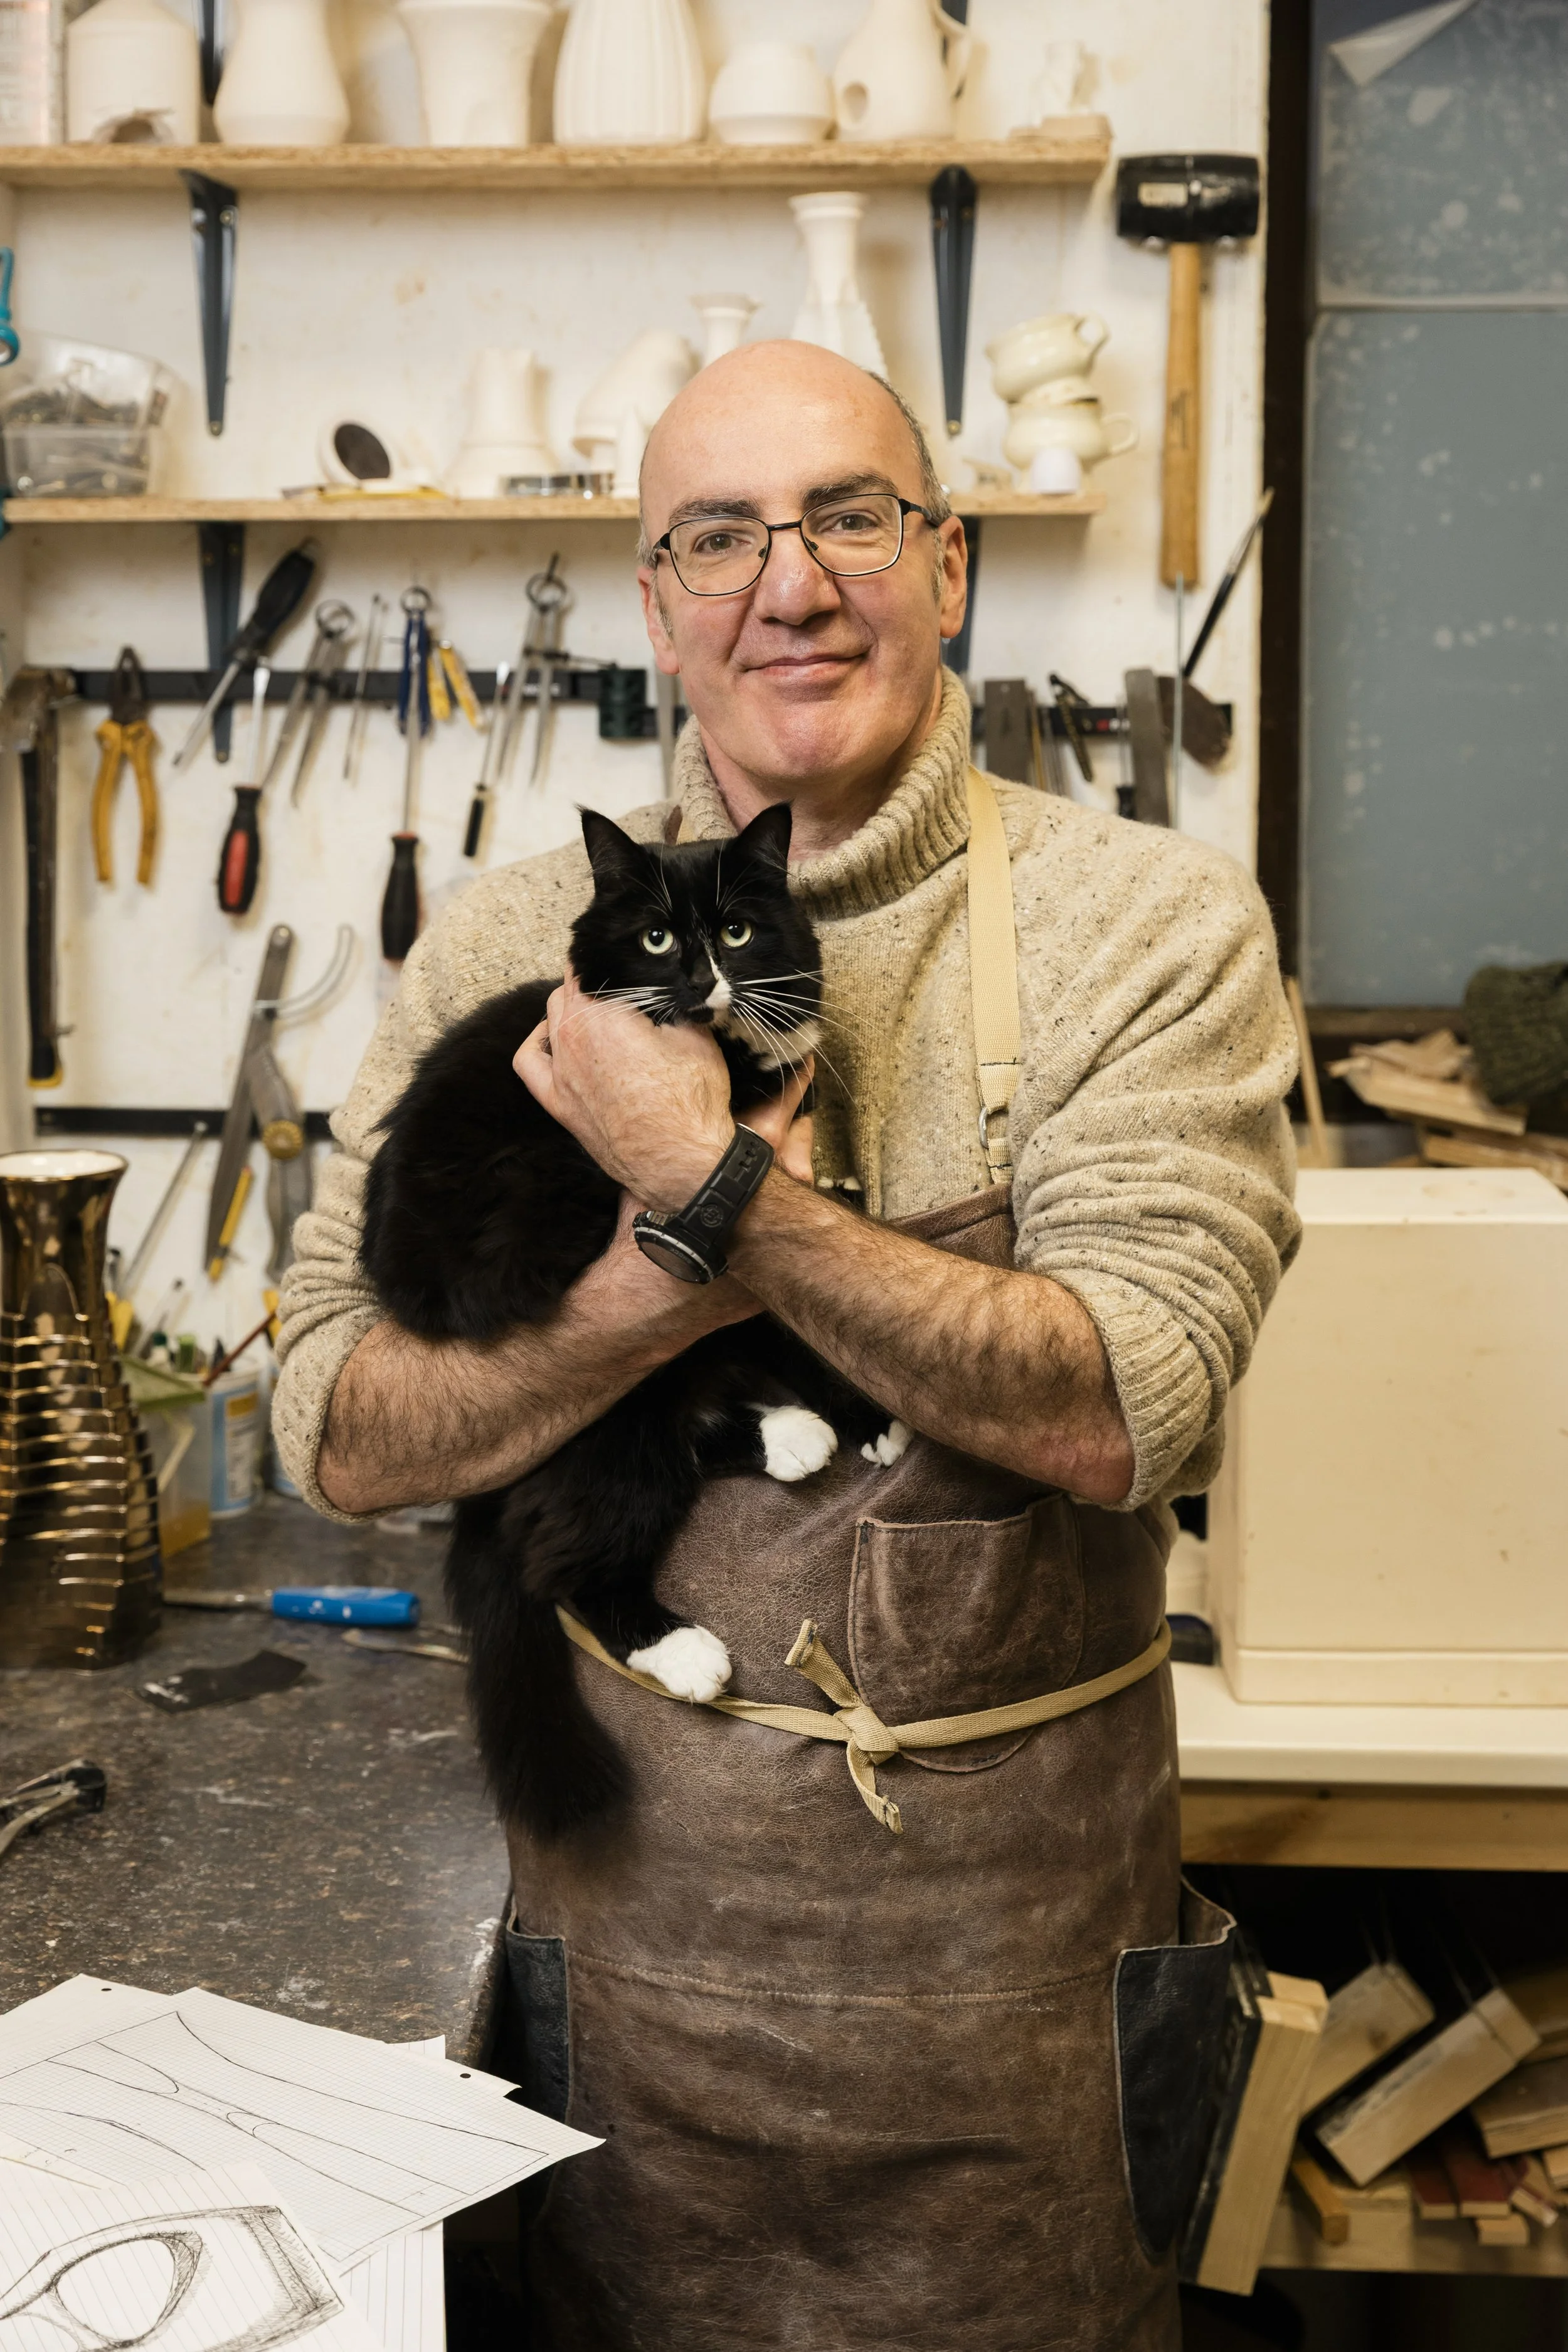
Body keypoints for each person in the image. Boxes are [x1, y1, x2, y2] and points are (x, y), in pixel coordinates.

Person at [275, 339, 1300, 2351]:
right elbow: (340, 1422)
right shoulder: (503, 947)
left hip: (1015, 2003)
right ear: (655, 600)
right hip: (635, 1984)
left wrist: (719, 1185)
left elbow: (1121, 1397)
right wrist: (665, 1274)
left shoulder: (1150, 924)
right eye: (719, 534)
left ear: (946, 562)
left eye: (847, 516)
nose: (791, 582)